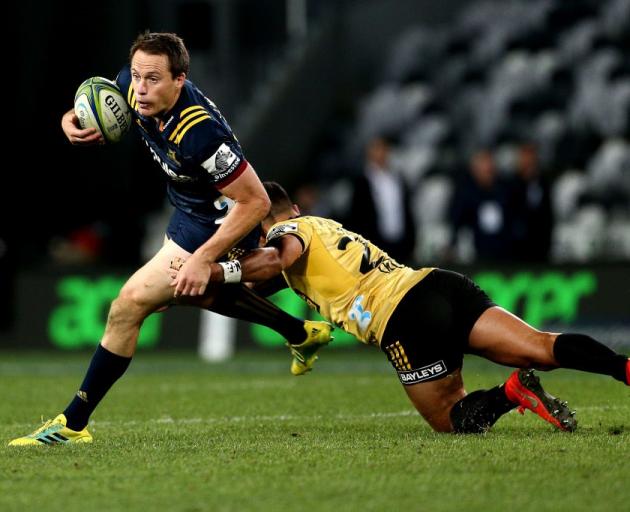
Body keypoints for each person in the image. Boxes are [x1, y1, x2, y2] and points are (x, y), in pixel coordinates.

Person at [8, 33, 331, 446]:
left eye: (154, 79)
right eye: (138, 77)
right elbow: (98, 103)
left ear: (180, 80)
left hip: (219, 218)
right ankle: (301, 333)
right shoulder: (133, 85)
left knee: (128, 305)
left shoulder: (200, 133)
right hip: (186, 212)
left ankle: (72, 423)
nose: (140, 89)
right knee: (189, 292)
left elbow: (255, 201)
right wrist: (70, 120)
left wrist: (204, 257)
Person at [197, 181, 629, 434]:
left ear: (260, 224)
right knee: (541, 345)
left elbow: (271, 260)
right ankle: (623, 368)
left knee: (447, 417)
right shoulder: (318, 226)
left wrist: (212, 267)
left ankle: (511, 392)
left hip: (404, 319)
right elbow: (253, 286)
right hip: (437, 284)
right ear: (294, 205)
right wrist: (190, 286)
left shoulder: (286, 232)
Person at [344, 136, 416, 264]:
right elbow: (357, 215)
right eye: (376, 148)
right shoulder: (361, 182)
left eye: (384, 148)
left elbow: (406, 209)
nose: (381, 153)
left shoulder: (397, 178)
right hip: (375, 243)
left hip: (400, 244)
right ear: (368, 152)